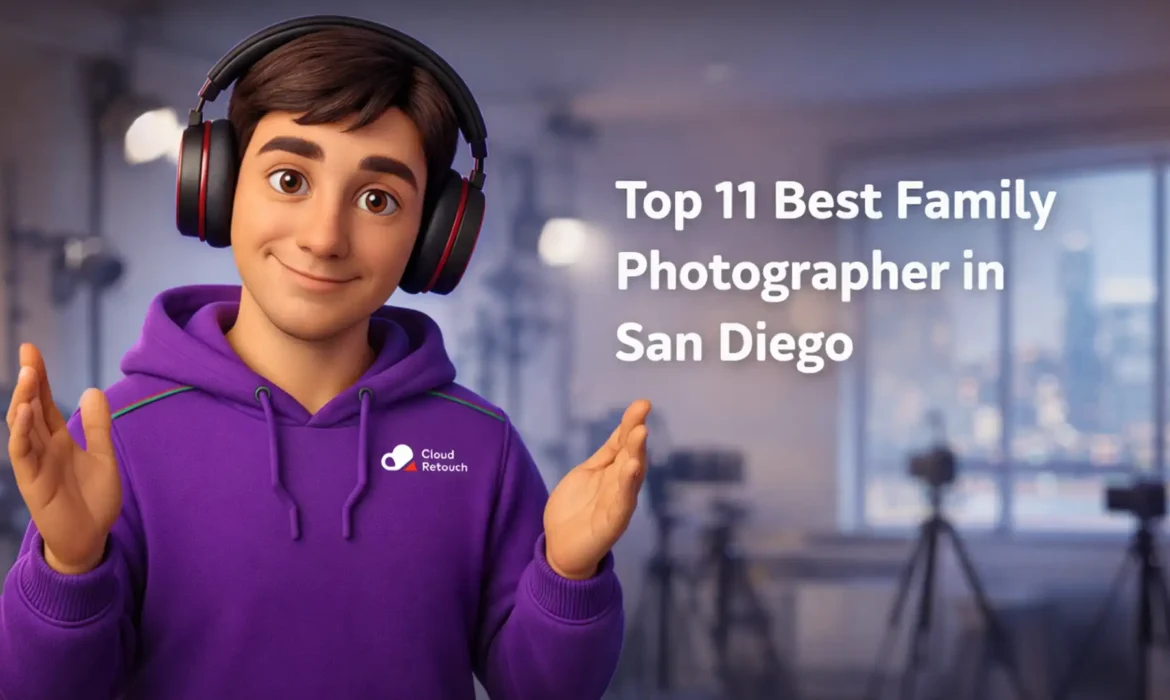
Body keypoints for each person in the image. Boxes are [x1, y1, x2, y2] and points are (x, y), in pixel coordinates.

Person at [1, 17, 650, 700]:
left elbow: (540, 690)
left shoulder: (480, 445)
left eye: (378, 200)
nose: (324, 237)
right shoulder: (119, 438)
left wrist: (570, 574)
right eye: (289, 178)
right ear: (216, 187)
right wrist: (69, 567)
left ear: (433, 238)